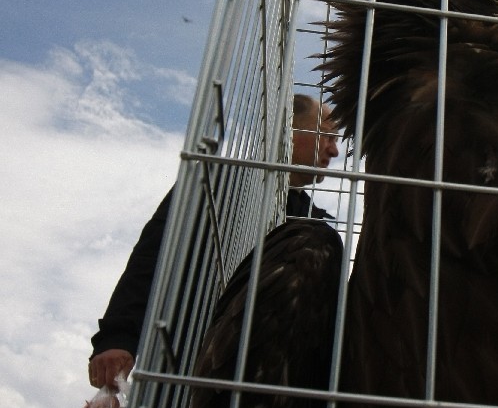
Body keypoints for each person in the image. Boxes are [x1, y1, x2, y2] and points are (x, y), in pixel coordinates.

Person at [87, 95, 339, 390]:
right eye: (327, 136)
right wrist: (118, 338)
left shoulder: (314, 225)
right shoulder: (215, 178)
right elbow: (154, 254)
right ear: (289, 131)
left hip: (269, 384)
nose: (334, 150)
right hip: (184, 360)